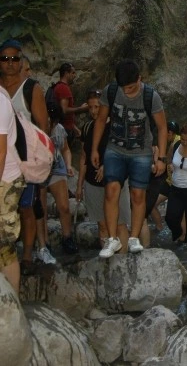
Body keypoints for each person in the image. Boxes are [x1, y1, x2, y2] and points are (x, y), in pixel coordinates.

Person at [91, 59, 168, 258]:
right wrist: (94, 150)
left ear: (139, 79)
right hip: (114, 149)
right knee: (111, 191)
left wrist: (161, 158)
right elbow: (100, 120)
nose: (127, 92)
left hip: (141, 152)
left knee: (138, 195)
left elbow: (161, 127)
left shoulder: (151, 96)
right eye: (124, 88)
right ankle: (112, 239)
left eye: (132, 87)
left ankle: (133, 238)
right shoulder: (111, 91)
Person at [0, 39, 49, 274]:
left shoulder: (31, 89)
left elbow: (42, 126)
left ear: (21, 62)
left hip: (24, 161)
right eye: (5, 59)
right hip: (2, 159)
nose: (10, 64)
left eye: (14, 59)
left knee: (26, 207)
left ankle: (27, 254)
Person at [76, 90, 130, 252]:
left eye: (97, 107)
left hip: (115, 181)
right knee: (102, 224)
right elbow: (84, 157)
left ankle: (122, 261)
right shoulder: (87, 128)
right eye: (90, 107)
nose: (93, 111)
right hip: (92, 183)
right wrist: (79, 185)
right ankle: (110, 261)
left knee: (120, 223)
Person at [39, 103, 80, 256]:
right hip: (39, 169)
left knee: (64, 206)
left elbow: (66, 149)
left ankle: (67, 237)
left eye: (54, 121)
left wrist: (69, 165)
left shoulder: (59, 130)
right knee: (41, 209)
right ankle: (44, 243)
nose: (51, 124)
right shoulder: (35, 129)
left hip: (56, 166)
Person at [0, 86, 26, 295]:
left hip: (5, 180)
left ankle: (13, 304)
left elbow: (0, 152)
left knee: (4, 244)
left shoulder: (0, 102)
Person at [150, 120, 180, 231]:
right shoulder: (178, 141)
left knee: (151, 204)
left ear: (170, 133)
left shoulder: (175, 144)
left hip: (174, 184)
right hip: (170, 182)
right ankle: (160, 227)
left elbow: (169, 161)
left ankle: (159, 227)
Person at [53, 62, 89, 145]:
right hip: (64, 130)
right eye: (73, 73)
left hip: (66, 128)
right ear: (66, 73)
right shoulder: (63, 88)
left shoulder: (60, 86)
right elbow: (64, 110)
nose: (75, 75)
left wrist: (75, 129)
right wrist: (81, 109)